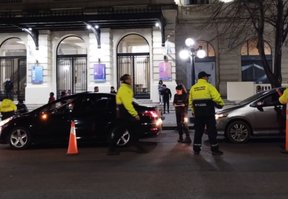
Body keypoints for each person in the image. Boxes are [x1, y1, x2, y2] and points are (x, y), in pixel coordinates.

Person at [107, 74, 146, 155]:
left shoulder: (126, 88)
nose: (131, 80)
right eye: (130, 79)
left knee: (129, 130)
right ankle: (111, 149)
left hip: (124, 113)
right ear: (126, 80)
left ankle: (138, 147)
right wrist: (135, 114)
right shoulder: (124, 89)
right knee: (123, 131)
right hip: (124, 114)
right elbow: (127, 104)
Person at [189, 71, 224, 155]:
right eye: (207, 77)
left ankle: (196, 149)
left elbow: (190, 102)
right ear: (204, 77)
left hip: (198, 114)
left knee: (198, 131)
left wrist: (194, 111)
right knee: (211, 131)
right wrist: (221, 104)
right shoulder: (209, 86)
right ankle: (214, 149)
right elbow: (216, 97)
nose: (207, 78)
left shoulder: (193, 88)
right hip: (208, 114)